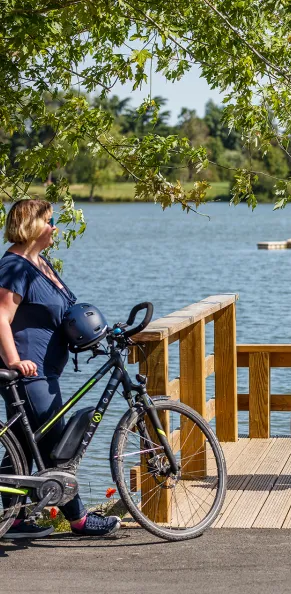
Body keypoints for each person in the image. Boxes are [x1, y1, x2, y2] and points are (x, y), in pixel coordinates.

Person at [0, 200, 120, 538]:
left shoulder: (40, 263)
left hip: (45, 370)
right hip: (29, 372)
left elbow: (63, 311)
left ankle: (15, 520)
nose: (54, 228)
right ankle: (80, 519)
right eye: (49, 222)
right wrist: (13, 361)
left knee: (26, 446)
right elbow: (1, 318)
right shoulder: (15, 267)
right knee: (56, 444)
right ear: (32, 226)